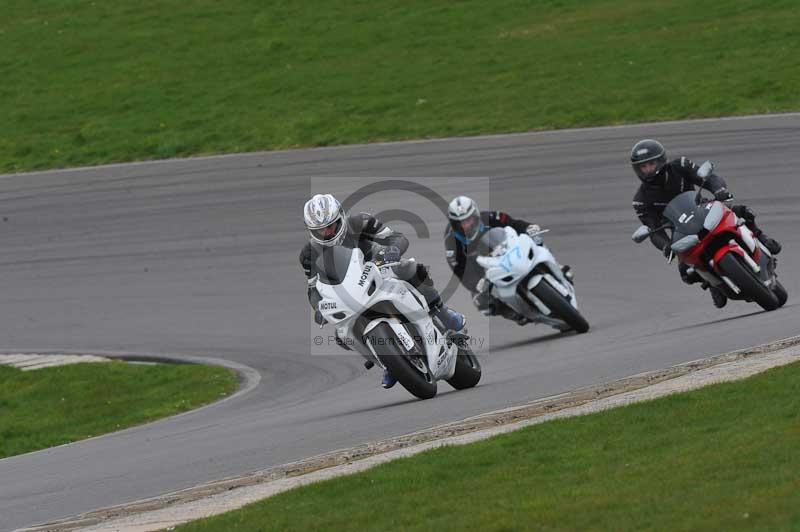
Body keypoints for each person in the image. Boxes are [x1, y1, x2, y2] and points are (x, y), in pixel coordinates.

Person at [300, 193, 465, 389]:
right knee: (341, 336)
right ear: (311, 230)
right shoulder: (308, 254)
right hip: (344, 291)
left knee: (409, 268)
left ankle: (442, 313)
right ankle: (388, 363)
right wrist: (318, 308)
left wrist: (393, 249)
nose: (327, 233)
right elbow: (313, 288)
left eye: (331, 226)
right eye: (320, 231)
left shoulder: (359, 222)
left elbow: (397, 237)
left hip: (374, 263)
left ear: (341, 217)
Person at [630, 139, 782, 308]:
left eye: (651, 164)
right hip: (680, 230)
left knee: (742, 211)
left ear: (661, 160)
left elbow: (709, 178)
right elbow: (653, 230)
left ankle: (762, 238)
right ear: (637, 170)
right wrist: (666, 246)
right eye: (643, 167)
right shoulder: (640, 200)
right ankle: (712, 283)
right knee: (686, 273)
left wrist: (720, 190)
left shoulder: (680, 165)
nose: (648, 169)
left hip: (702, 209)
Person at [444, 195, 571, 324]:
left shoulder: (489, 217)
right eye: (461, 223)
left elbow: (513, 223)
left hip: (507, 250)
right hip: (483, 268)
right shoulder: (451, 243)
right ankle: (513, 313)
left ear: (475, 215)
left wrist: (528, 227)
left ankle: (557, 267)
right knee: (480, 301)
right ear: (454, 224)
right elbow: (460, 271)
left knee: (536, 240)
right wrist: (477, 283)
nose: (467, 225)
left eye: (469, 220)